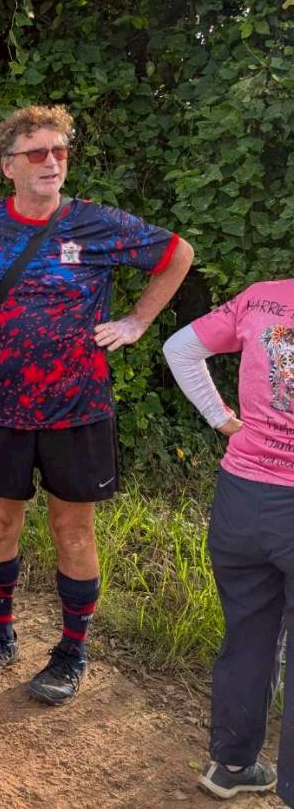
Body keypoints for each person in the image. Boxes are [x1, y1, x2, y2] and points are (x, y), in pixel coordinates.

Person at [0, 104, 193, 705]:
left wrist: (136, 321)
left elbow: (177, 254)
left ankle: (71, 651)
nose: (52, 161)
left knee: (73, 532)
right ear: (8, 166)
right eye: (38, 152)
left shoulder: (98, 223)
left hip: (78, 407)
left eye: (60, 150)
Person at [163, 279, 293, 802]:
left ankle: (233, 764)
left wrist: (222, 420)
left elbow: (180, 348)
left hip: (242, 500)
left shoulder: (260, 298)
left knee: (248, 635)